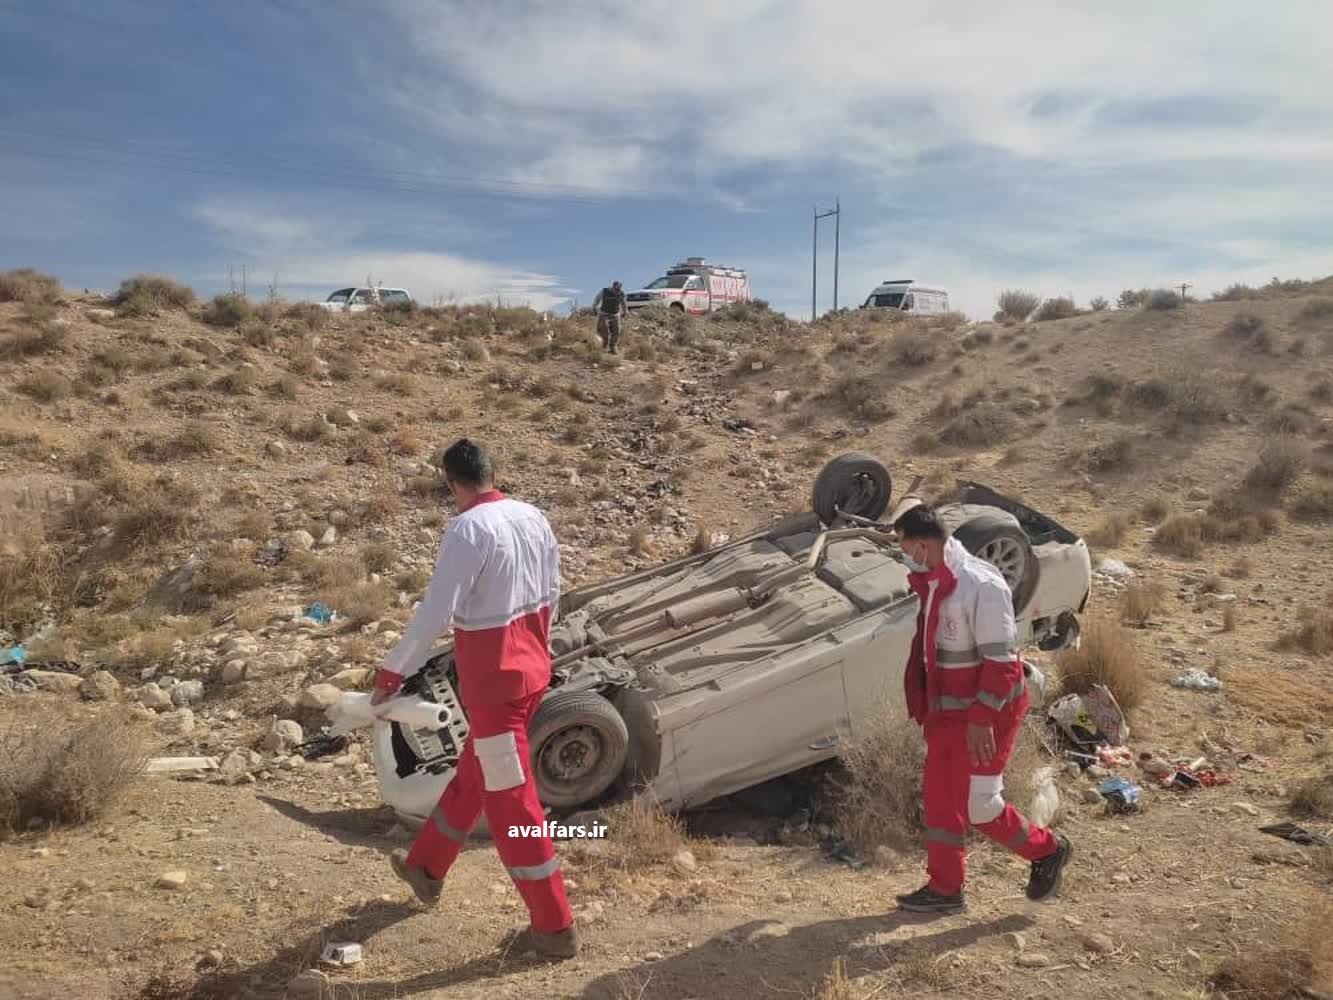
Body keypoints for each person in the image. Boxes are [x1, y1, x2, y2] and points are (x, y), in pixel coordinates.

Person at [370, 438, 577, 959]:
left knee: (514, 806)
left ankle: (554, 928)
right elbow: (553, 592)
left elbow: (437, 612)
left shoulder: (467, 528)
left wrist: (394, 671)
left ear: (450, 484)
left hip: (494, 688)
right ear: (493, 472)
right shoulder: (532, 516)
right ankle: (426, 868)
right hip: (531, 672)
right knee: (476, 773)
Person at [890, 498, 1072, 914]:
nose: (903, 555)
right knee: (939, 797)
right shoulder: (937, 580)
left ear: (922, 545)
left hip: (987, 715)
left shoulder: (980, 586)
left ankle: (1048, 851)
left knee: (980, 806)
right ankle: (945, 889)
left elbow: (1002, 664)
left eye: (903, 545)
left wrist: (981, 718)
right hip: (948, 712)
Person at [593, 280, 627, 353]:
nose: (616, 291)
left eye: (618, 289)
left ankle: (613, 347)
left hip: (615, 314)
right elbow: (597, 299)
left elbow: (623, 303)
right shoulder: (604, 291)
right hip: (604, 313)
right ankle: (604, 345)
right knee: (604, 329)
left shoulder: (621, 293)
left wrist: (625, 311)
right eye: (615, 289)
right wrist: (594, 307)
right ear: (612, 287)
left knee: (617, 330)